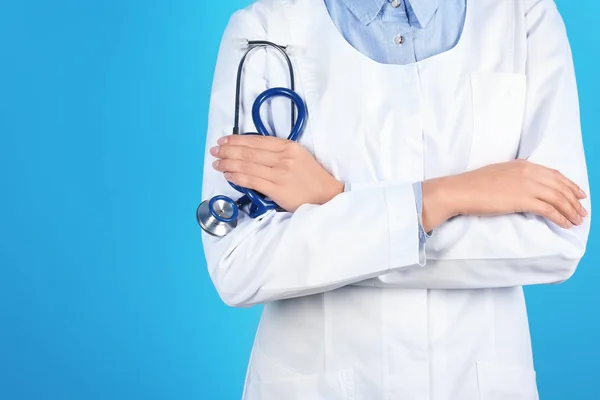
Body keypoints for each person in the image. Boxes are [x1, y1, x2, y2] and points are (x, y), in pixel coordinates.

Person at [200, 0, 591, 398]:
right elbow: (240, 263)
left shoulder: (522, 15)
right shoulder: (265, 30)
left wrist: (334, 201)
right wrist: (447, 196)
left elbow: (558, 238)